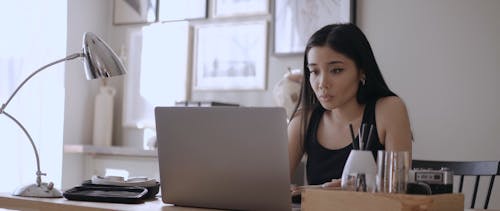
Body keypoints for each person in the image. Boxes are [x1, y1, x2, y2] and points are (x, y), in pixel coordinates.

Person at [288, 23, 412, 192]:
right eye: (315, 72)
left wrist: (366, 186)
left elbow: (399, 187)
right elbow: (268, 182)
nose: (322, 83)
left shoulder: (388, 110)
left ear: (362, 71)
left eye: (336, 70)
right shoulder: (305, 119)